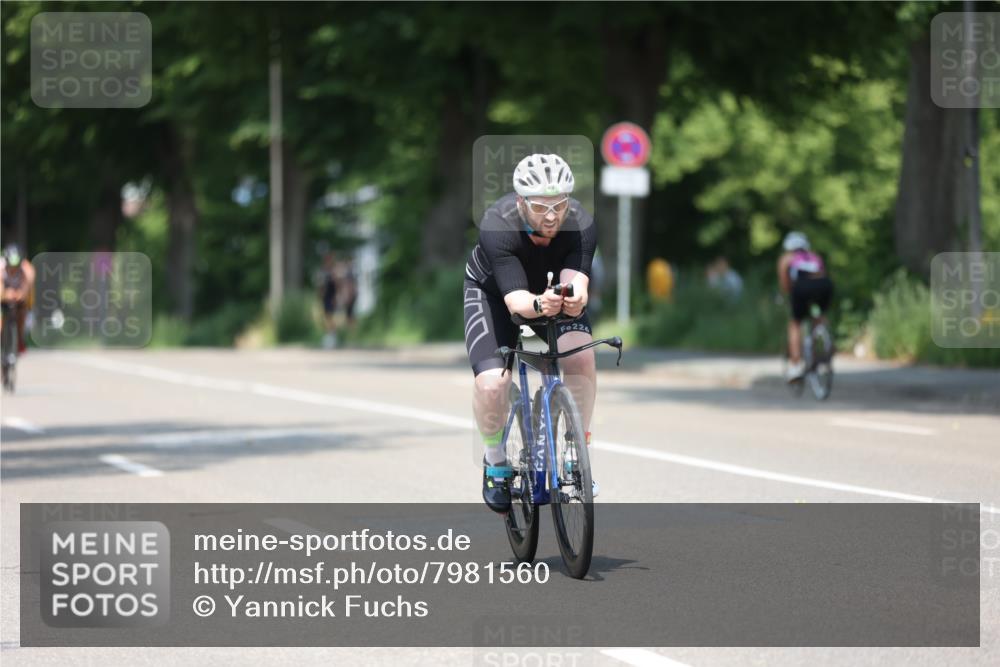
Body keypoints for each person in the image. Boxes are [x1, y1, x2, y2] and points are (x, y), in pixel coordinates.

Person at [464, 153, 598, 513]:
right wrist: (540, 304)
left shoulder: (581, 223)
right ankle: (495, 461)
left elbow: (577, 283)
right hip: (496, 296)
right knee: (492, 384)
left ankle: (577, 453)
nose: (551, 216)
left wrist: (574, 298)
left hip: (549, 294)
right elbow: (517, 302)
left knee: (582, 358)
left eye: (559, 205)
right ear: (521, 202)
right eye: (540, 207)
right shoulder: (497, 224)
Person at [777, 232, 833, 381]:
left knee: (795, 323)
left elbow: (785, 283)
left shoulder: (787, 258)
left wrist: (789, 296)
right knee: (818, 316)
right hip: (824, 285)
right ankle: (824, 348)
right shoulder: (815, 256)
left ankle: (795, 365)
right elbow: (821, 273)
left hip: (802, 287)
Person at [1, 244, 36, 355]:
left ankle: (19, 338)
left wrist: (21, 295)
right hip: (4, 295)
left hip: (19, 295)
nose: (13, 269)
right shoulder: (1, 268)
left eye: (16, 267)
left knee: (22, 313)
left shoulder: (28, 270)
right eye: (11, 267)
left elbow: (26, 290)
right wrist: (5, 294)